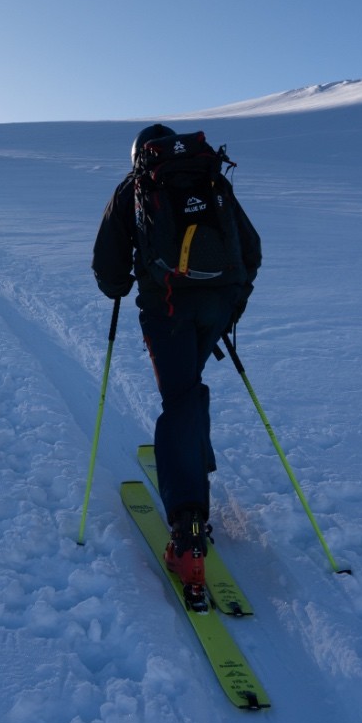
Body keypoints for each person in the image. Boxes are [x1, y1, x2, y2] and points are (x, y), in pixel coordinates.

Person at [91, 124, 262, 591]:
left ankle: (187, 531)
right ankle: (194, 459)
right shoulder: (210, 178)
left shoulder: (136, 186)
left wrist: (120, 284)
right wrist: (233, 301)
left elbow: (107, 265)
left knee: (179, 396)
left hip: (167, 306)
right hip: (218, 301)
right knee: (188, 387)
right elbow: (251, 247)